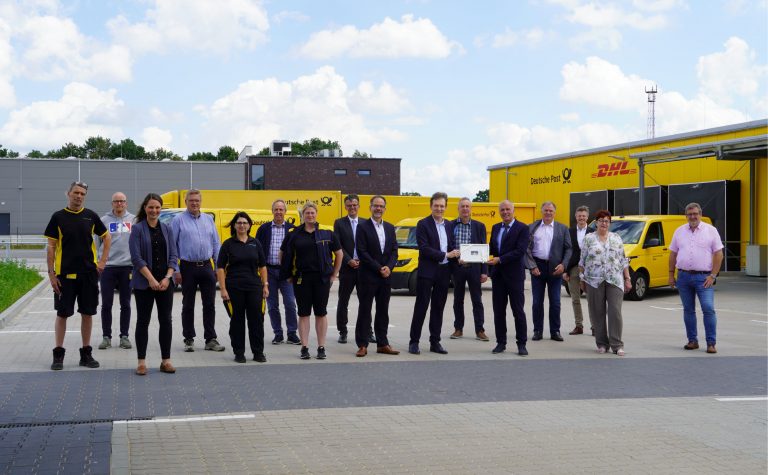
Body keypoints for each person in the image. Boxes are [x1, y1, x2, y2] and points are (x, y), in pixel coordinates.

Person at [45, 181, 110, 370]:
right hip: (64, 276)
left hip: (88, 274)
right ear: (68, 193)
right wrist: (51, 274)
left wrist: (102, 261)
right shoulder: (58, 217)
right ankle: (58, 355)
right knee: (62, 314)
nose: (79, 196)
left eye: (82, 194)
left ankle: (86, 354)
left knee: (87, 313)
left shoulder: (90, 216)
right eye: (76, 192)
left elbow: (107, 237)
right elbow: (51, 247)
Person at [280, 202, 342, 360]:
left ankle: (321, 347)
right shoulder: (293, 234)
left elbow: (339, 254)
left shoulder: (327, 233)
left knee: (321, 313)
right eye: (307, 213)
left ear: (316, 214)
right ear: (303, 215)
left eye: (312, 213)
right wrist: (288, 273)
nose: (310, 215)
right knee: (303, 314)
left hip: (322, 279)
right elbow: (282, 254)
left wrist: (334, 274)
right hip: (301, 279)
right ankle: (304, 347)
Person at [129, 193, 179, 374]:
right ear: (145, 208)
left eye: (157, 207)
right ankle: (141, 362)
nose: (154, 210)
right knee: (143, 321)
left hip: (165, 283)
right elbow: (136, 258)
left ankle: (166, 361)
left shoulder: (167, 229)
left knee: (166, 321)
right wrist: (150, 279)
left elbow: (174, 255)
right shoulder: (137, 229)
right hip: (144, 284)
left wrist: (167, 277)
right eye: (151, 207)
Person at [171, 189, 224, 353]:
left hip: (207, 267)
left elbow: (216, 244)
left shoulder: (208, 219)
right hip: (187, 267)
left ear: (201, 202)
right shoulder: (178, 220)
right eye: (191, 200)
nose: (194, 203)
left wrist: (218, 267)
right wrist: (175, 270)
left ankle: (210, 339)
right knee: (188, 304)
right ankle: (189, 339)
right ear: (186, 202)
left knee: (210, 304)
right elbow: (172, 246)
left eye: (197, 200)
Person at [408, 192, 460, 355]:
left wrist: (458, 256)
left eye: (442, 206)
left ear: (446, 207)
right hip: (427, 271)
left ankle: (435, 342)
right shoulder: (423, 224)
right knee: (421, 306)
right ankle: (414, 342)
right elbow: (424, 248)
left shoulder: (449, 225)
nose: (439, 208)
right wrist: (446, 254)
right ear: (431, 206)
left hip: (444, 272)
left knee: (438, 308)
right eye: (436, 205)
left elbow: (451, 245)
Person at [668, 202, 724, 354]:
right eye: (690, 214)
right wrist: (671, 274)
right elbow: (673, 253)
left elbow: (719, 254)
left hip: (703, 277)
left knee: (708, 308)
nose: (693, 217)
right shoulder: (679, 231)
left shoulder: (711, 230)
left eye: (695, 214)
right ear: (686, 216)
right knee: (688, 310)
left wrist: (713, 275)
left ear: (700, 214)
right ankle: (692, 341)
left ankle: (711, 343)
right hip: (683, 276)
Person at [217, 212, 269, 363]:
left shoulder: (255, 243)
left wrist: (265, 285)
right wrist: (223, 289)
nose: (242, 225)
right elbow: (220, 268)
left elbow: (263, 266)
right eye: (239, 223)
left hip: (254, 287)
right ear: (234, 225)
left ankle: (258, 352)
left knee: (256, 320)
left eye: (245, 223)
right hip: (234, 288)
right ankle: (239, 353)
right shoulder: (228, 244)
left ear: (249, 225)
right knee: (237, 321)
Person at [579, 210, 631, 355]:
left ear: (610, 223)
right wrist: (582, 279)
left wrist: (627, 279)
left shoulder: (616, 238)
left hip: (614, 279)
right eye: (601, 220)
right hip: (594, 280)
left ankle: (617, 345)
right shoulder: (588, 238)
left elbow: (623, 260)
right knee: (597, 312)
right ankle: (602, 343)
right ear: (596, 223)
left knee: (615, 312)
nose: (604, 223)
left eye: (607, 221)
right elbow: (582, 261)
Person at [354, 195, 400, 357]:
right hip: (368, 276)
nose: (378, 208)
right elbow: (362, 252)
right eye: (375, 206)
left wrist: (389, 267)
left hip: (385, 277)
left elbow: (394, 251)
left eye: (381, 206)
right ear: (370, 207)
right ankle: (362, 344)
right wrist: (379, 268)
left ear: (385, 208)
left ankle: (382, 343)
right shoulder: (362, 227)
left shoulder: (390, 227)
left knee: (383, 311)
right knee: (365, 310)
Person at [487, 200, 530, 356]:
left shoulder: (523, 228)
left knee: (518, 311)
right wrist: (475, 255)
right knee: (498, 311)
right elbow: (492, 249)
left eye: (507, 209)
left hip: (514, 277)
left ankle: (521, 344)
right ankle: (501, 343)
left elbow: (520, 251)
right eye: (502, 210)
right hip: (498, 277)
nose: (505, 212)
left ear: (513, 210)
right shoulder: (496, 227)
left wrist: (500, 260)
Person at [525, 201, 572, 342]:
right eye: (546, 210)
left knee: (556, 302)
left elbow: (569, 249)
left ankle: (555, 331)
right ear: (541, 211)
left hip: (555, 269)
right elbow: (526, 248)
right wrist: (532, 266)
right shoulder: (532, 227)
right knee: (537, 302)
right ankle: (537, 330)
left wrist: (563, 265)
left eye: (551, 210)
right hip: (537, 268)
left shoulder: (562, 228)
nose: (548, 213)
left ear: (554, 212)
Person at [255, 199, 300, 345]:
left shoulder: (293, 230)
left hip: (286, 273)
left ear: (285, 211)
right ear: (272, 211)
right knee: (272, 305)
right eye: (276, 209)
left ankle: (292, 333)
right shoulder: (263, 229)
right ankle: (278, 333)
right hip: (269, 272)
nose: (279, 212)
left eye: (281, 209)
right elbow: (257, 250)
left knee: (290, 303)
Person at [96, 192, 135, 351]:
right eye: (116, 201)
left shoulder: (133, 220)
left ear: (126, 203)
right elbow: (97, 242)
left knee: (125, 303)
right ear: (112, 203)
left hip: (127, 267)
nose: (119, 204)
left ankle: (124, 336)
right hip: (108, 268)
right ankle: (106, 337)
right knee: (106, 304)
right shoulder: (103, 221)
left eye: (122, 201)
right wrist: (99, 262)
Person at [333, 194, 373, 344]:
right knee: (343, 301)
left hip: (364, 269)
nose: (352, 207)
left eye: (355, 205)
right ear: (345, 207)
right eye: (349, 205)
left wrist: (364, 261)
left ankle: (368, 331)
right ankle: (342, 331)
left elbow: (369, 245)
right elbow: (338, 245)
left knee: (366, 302)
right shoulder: (339, 223)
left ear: (359, 206)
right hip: (347, 269)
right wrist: (349, 260)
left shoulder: (366, 223)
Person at [449, 198, 489, 342]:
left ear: (471, 209)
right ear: (458, 209)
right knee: (458, 300)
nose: (465, 209)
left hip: (474, 268)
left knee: (477, 300)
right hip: (457, 268)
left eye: (467, 206)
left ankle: (480, 330)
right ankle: (458, 329)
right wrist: (455, 259)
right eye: (462, 206)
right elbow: (448, 246)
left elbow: (483, 249)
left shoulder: (479, 226)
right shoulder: (450, 225)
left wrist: (484, 271)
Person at [563, 205, 593, 336]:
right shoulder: (569, 232)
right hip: (573, 268)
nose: (581, 218)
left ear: (587, 217)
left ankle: (595, 326)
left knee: (592, 300)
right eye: (579, 216)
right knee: (575, 299)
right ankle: (578, 325)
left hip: (590, 270)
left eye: (584, 216)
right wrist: (565, 270)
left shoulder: (593, 232)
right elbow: (565, 251)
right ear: (576, 217)